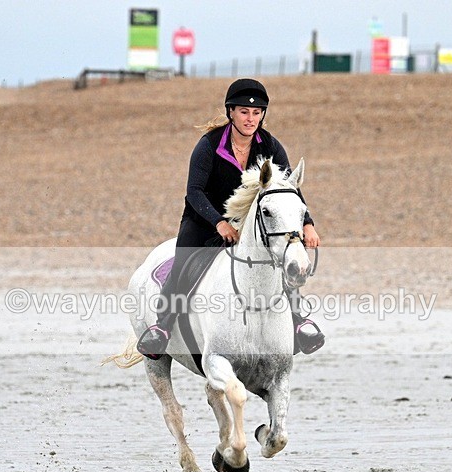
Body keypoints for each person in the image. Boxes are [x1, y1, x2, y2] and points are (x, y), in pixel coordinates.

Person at [137, 78, 324, 359]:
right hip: (204, 220)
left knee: (282, 259)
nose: (251, 118)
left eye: (257, 113)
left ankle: (299, 321)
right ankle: (161, 327)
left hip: (251, 224)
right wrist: (219, 222)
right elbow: (194, 191)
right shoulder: (209, 145)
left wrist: (307, 223)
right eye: (244, 112)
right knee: (184, 264)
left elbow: (288, 191)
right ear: (231, 113)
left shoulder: (271, 145)